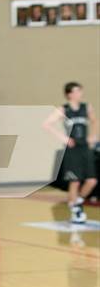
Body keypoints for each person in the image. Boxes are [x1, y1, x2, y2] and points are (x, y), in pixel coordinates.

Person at [43, 82, 98, 223]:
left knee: (92, 180)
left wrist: (93, 136)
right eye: (77, 91)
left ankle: (77, 202)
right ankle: (75, 211)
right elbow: (46, 124)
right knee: (75, 181)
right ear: (69, 94)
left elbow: (95, 121)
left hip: (84, 147)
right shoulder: (64, 109)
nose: (80, 93)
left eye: (81, 91)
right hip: (71, 149)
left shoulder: (87, 107)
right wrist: (64, 138)